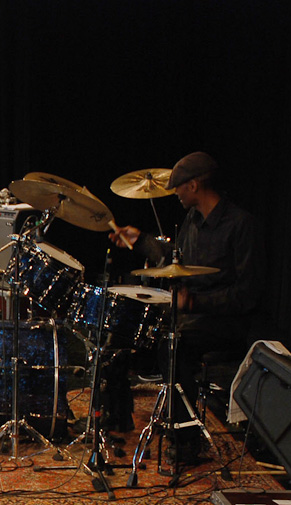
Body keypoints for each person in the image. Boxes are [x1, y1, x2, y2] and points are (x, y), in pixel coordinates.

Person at [110, 151, 265, 462]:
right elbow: (174, 260)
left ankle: (186, 439)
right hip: (193, 315)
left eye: (179, 187)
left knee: (173, 346)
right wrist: (141, 240)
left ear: (193, 185)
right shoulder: (193, 220)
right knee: (121, 331)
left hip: (227, 322)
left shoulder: (241, 224)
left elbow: (247, 295)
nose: (176, 193)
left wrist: (194, 301)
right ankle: (116, 418)